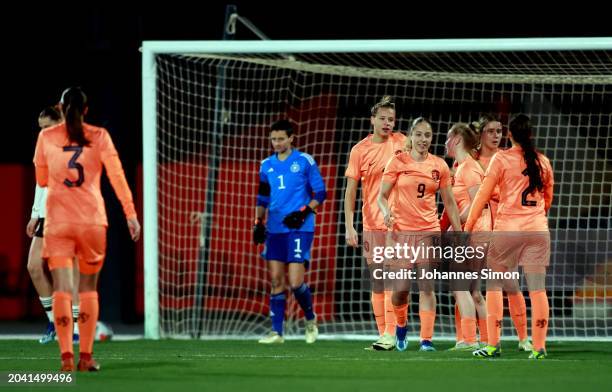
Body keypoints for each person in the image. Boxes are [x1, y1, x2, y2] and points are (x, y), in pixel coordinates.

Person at [33, 87, 141, 371]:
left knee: (62, 289)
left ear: (60, 107)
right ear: (86, 110)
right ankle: (87, 357)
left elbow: (42, 179)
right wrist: (130, 214)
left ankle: (66, 357)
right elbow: (117, 176)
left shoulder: (46, 136)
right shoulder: (100, 136)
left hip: (58, 221)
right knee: (89, 289)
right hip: (91, 220)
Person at [465, 114, 553, 359]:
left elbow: (482, 195)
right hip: (537, 230)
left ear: (510, 134)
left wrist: (469, 226)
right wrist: (535, 217)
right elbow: (548, 199)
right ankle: (539, 348)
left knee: (494, 286)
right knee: (538, 291)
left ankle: (493, 345)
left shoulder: (501, 159)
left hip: (507, 230)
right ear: (531, 134)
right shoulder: (543, 161)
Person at [377, 117, 462, 352]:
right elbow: (381, 196)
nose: (423, 139)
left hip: (428, 231)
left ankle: (426, 340)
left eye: (428, 135)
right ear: (411, 136)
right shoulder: (397, 161)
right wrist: (386, 212)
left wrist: (459, 231)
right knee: (400, 290)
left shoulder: (440, 166)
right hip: (400, 233)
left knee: (427, 286)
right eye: (419, 135)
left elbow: (450, 203)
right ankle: (401, 326)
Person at [253, 119, 326, 344]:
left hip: (299, 227)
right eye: (273, 139)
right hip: (275, 229)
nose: (276, 143)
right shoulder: (266, 165)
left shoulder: (304, 161)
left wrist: (304, 212)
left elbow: (320, 193)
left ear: (291, 138)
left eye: (281, 138)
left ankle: (310, 319)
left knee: (295, 282)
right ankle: (277, 333)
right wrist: (258, 221)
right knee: (276, 280)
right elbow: (263, 196)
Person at [344, 96, 406, 351]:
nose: (387, 123)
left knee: (394, 280)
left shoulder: (403, 142)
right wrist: (350, 225)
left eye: (391, 119)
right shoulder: (360, 150)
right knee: (378, 280)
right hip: (370, 222)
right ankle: (385, 334)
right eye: (382, 118)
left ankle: (393, 332)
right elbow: (350, 190)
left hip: (398, 223)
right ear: (372, 120)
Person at [27, 107, 81, 344]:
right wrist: (35, 214)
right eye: (40, 128)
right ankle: (54, 322)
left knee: (72, 271)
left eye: (47, 127)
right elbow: (41, 184)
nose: (43, 133)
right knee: (34, 267)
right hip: (47, 215)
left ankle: (78, 329)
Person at [443, 122, 488, 351]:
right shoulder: (464, 166)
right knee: (472, 291)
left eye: (448, 138)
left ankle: (470, 339)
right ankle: (486, 339)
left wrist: (455, 223)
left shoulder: (469, 168)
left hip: (473, 233)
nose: (445, 142)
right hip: (476, 232)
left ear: (457, 139)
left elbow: (476, 204)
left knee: (459, 285)